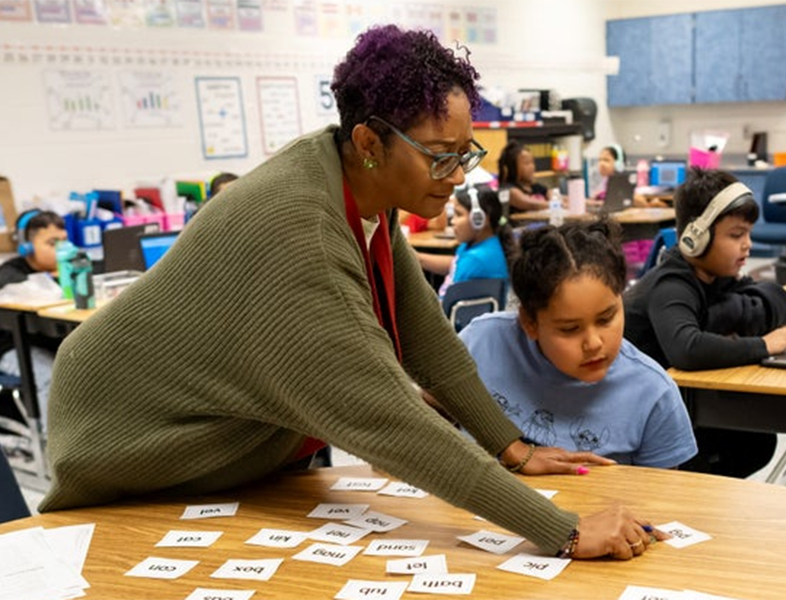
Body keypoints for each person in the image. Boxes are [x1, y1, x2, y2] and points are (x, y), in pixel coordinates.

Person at [40, 25, 662, 560]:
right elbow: (393, 420)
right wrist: (562, 530)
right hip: (129, 435)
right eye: (440, 157)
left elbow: (427, 340)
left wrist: (512, 447)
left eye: (465, 152)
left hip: (222, 433)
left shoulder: (360, 189)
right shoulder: (303, 231)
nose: (459, 176)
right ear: (369, 143)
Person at [460, 221, 697, 468]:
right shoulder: (481, 343)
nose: (594, 343)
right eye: (570, 329)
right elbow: (425, 413)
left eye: (607, 318)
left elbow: (658, 499)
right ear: (530, 323)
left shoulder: (653, 394)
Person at [623, 168, 786, 477]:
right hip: (645, 420)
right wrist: (763, 344)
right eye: (736, 235)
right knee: (751, 440)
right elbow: (687, 348)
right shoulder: (672, 283)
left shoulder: (714, 276)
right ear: (695, 238)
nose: (747, 244)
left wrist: (716, 314)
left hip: (679, 405)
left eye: (748, 233)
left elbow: (776, 298)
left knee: (755, 439)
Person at [0, 209, 69, 424]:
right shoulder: (10, 273)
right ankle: (51, 449)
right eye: (52, 243)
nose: (61, 249)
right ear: (27, 246)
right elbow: (31, 292)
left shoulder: (69, 270)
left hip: (56, 346)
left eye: (64, 241)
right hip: (17, 349)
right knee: (53, 377)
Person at [415, 187, 513, 292]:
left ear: (479, 219)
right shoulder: (482, 246)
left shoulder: (475, 260)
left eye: (459, 214)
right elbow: (455, 263)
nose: (453, 221)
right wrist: (418, 258)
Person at [497, 142, 547, 212]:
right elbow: (530, 204)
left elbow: (551, 193)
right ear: (512, 167)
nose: (532, 167)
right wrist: (556, 204)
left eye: (532, 162)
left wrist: (556, 197)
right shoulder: (508, 190)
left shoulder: (534, 187)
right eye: (527, 163)